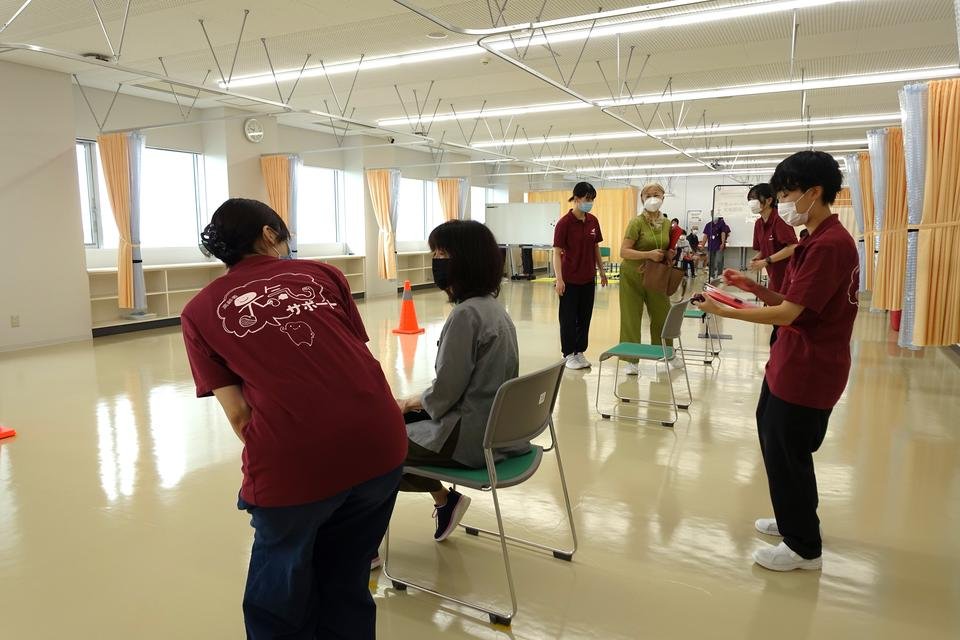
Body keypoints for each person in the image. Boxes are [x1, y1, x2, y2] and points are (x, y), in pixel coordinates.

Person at [181, 198, 408, 639]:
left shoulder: (199, 311)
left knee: (278, 603)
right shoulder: (323, 275)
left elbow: (239, 415)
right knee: (347, 581)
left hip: (297, 466)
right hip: (382, 446)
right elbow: (353, 359)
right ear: (269, 234)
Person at [694, 151, 859, 572]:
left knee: (789, 451)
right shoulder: (814, 240)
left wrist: (725, 310)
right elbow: (793, 301)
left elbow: (787, 314)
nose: (782, 202)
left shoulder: (829, 246)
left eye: (786, 194)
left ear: (814, 192)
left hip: (809, 367)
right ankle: (792, 519)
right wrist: (753, 288)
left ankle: (804, 547)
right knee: (774, 439)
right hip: (790, 361)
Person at [396, 220, 526, 541]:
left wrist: (409, 402)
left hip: (466, 439)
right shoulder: (494, 310)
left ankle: (362, 544)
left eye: (442, 254)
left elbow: (445, 393)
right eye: (434, 254)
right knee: (393, 430)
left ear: (466, 260)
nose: (436, 261)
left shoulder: (465, 316)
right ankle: (445, 500)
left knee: (372, 448)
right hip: (495, 430)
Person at [619, 182, 675, 376]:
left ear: (663, 198)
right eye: (648, 195)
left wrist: (669, 253)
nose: (653, 198)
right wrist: (648, 254)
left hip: (656, 274)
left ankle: (664, 353)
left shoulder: (667, 223)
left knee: (662, 314)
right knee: (631, 316)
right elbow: (624, 252)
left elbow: (665, 246)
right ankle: (631, 359)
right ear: (642, 199)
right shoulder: (636, 223)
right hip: (633, 274)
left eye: (656, 194)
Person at [553, 182, 608, 370]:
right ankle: (568, 354)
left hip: (588, 278)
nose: (590, 202)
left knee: (585, 318)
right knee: (568, 318)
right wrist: (559, 279)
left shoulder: (593, 221)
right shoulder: (564, 223)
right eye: (587, 199)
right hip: (569, 279)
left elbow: (595, 247)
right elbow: (556, 253)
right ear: (576, 199)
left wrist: (601, 271)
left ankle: (579, 351)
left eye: (592, 199)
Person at [747, 183, 798, 293]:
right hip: (774, 276)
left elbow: (793, 247)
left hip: (789, 276)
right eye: (750, 199)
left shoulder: (779, 219)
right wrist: (757, 259)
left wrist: (766, 260)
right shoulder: (758, 224)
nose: (752, 202)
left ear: (769, 200)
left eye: (755, 198)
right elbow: (764, 249)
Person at [702, 214, 731, 279]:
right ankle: (711, 275)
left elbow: (723, 233)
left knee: (719, 260)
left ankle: (719, 274)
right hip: (711, 246)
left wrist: (723, 243)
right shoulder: (708, 225)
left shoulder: (722, 223)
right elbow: (705, 235)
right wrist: (703, 245)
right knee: (711, 261)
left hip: (719, 245)